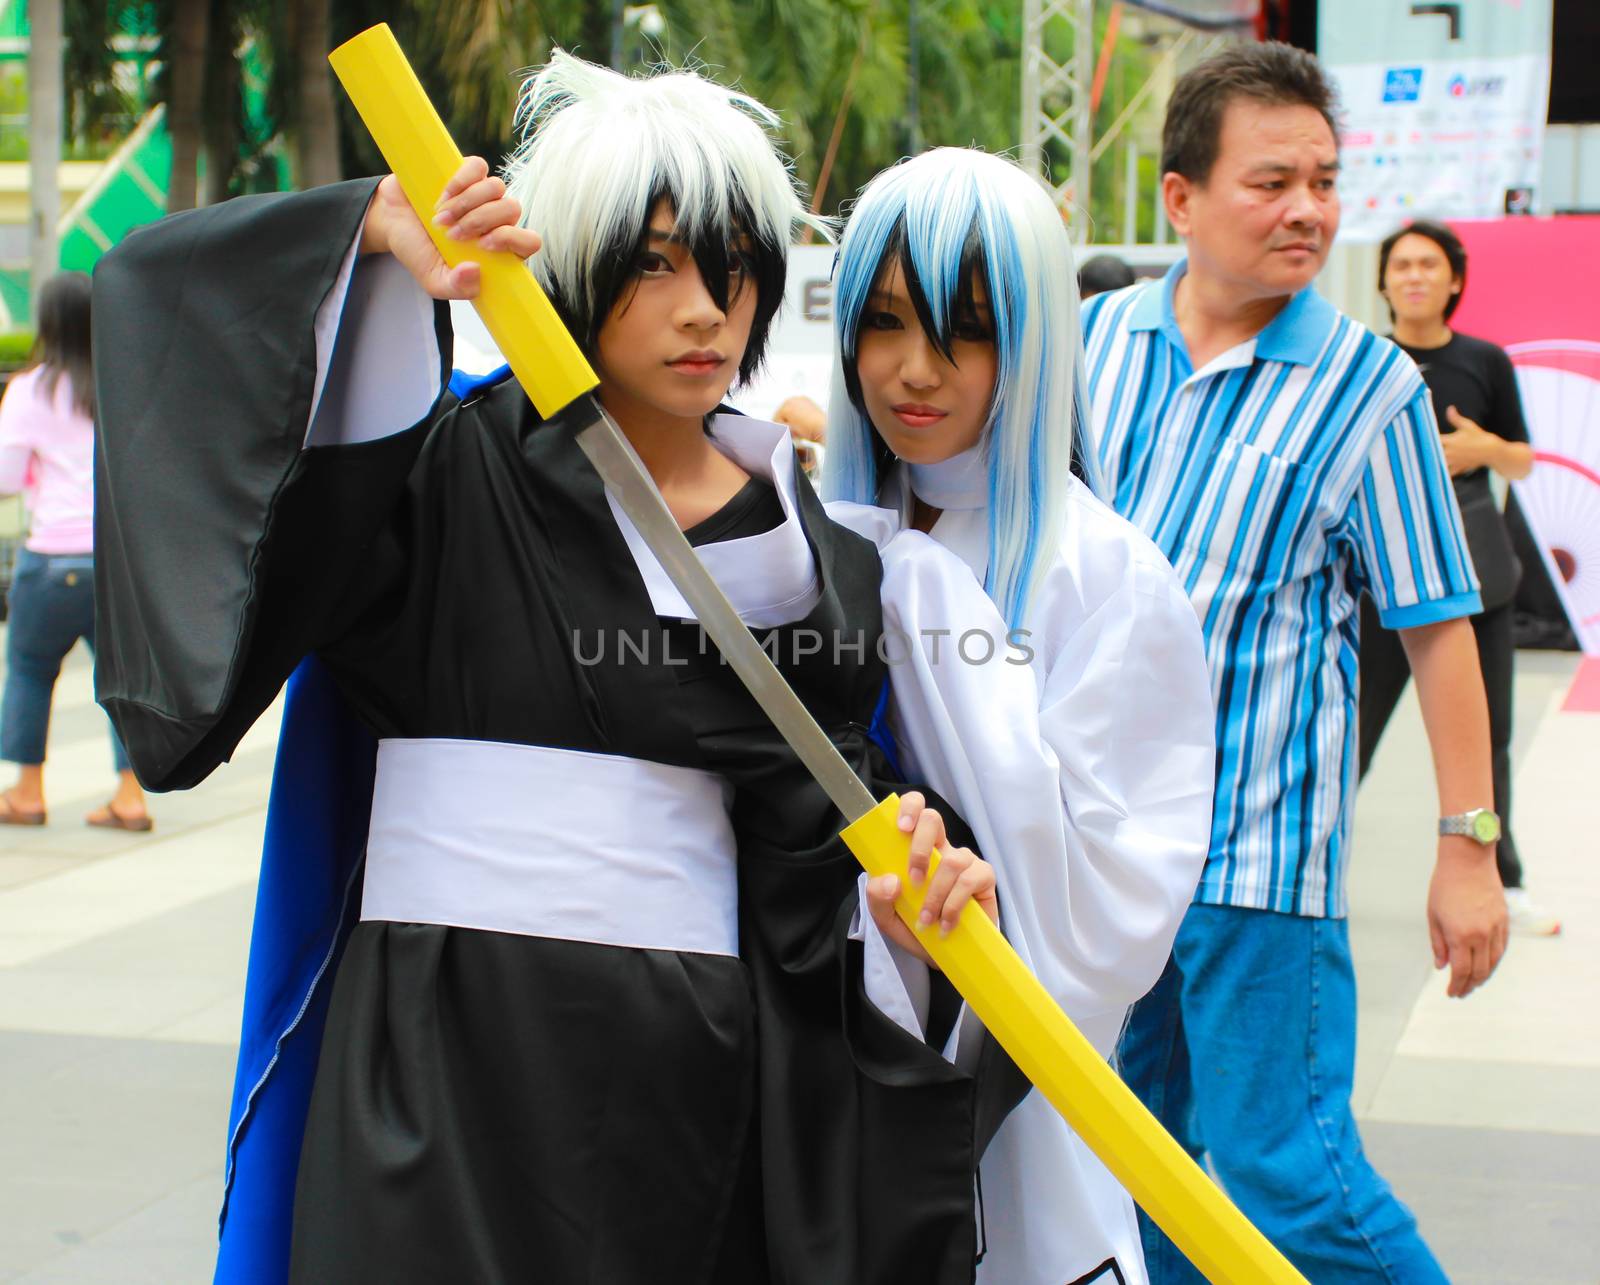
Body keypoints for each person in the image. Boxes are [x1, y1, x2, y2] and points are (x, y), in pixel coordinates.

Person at [92, 53, 1013, 1284]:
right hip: (434, 1047)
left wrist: (903, 900)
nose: (704, 307)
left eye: (730, 261)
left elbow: (815, 843)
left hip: (689, 1074)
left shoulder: (823, 554)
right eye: (652, 262)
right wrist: (371, 236)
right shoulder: (434, 479)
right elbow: (209, 367)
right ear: (571, 269)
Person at [1081, 43, 1508, 1283]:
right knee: (1130, 1161)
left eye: (1324, 180)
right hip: (1106, 854)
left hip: (1254, 865)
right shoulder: (1095, 345)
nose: (1309, 209)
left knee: (1288, 1168)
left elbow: (1437, 628)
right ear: (1179, 199)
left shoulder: (1366, 387)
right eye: (1272, 181)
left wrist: (1464, 846)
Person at [821, 147, 1216, 1285]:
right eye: (883, 321)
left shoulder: (1104, 574)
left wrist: (965, 882)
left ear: (1036, 339)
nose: (913, 371)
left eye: (970, 330)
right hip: (828, 1075)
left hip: (1023, 1113)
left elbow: (1115, 913)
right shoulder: (822, 544)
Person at [1363, 220, 1558, 936]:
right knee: (1349, 730)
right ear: (1383, 281)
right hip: (1376, 581)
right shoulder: (1364, 358)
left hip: (1477, 576)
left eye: (1429, 264)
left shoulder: (1486, 361)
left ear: (1454, 280)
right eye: (1401, 264)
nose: (1414, 276)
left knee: (1491, 734)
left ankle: (1502, 877)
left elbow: (1524, 460)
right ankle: (1314, 869)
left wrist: (1481, 447)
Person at [0, 271, 151, 831]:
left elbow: (7, 477)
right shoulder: (125, 380)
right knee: (122, 681)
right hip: (114, 561)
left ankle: (27, 793)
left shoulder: (29, 390)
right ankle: (131, 797)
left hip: (49, 560)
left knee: (30, 671)